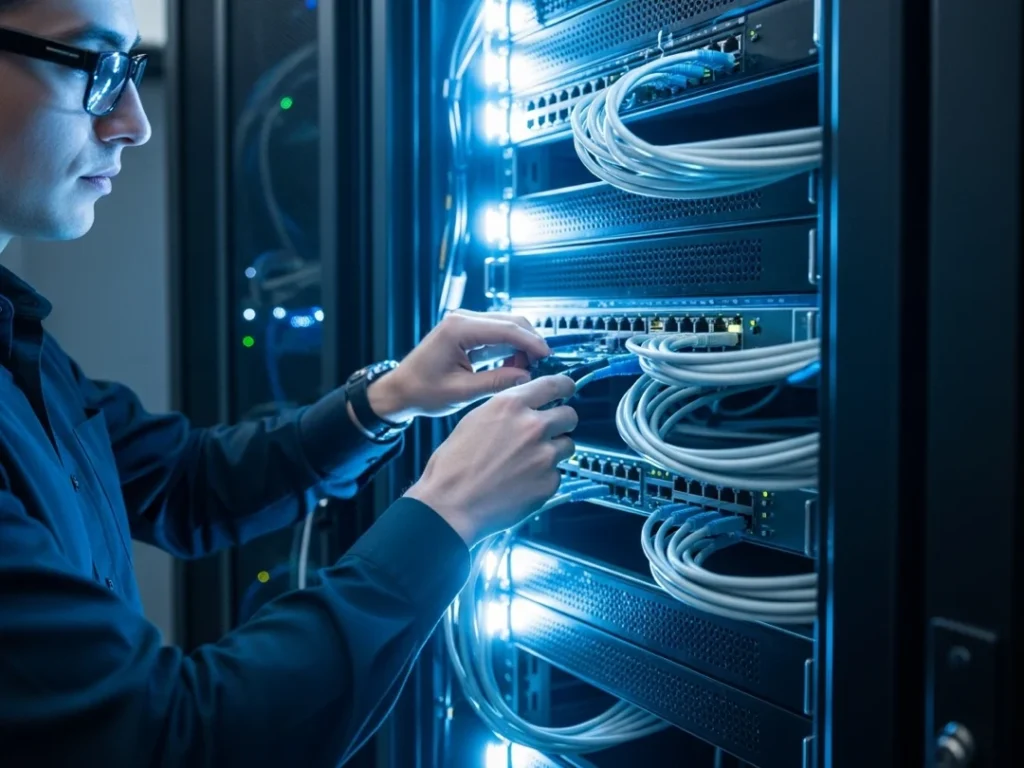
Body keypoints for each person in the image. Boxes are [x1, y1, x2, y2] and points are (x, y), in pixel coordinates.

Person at [0, 0, 579, 764]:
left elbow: (182, 483)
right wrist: (450, 512)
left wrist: (386, 400)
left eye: (133, 71)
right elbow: (170, 741)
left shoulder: (18, 342)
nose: (134, 121)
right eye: (98, 66)